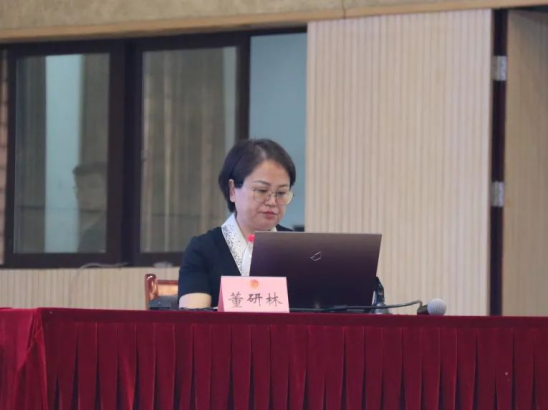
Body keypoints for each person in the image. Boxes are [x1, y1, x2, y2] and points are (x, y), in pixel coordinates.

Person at [178, 139, 296, 308]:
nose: (272, 201)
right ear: (233, 190)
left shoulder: (298, 248)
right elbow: (194, 320)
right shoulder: (203, 250)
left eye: (281, 193)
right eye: (262, 191)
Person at [73, 162, 108, 252]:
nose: (84, 193)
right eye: (79, 187)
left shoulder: (102, 232)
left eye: (93, 186)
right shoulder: (89, 230)